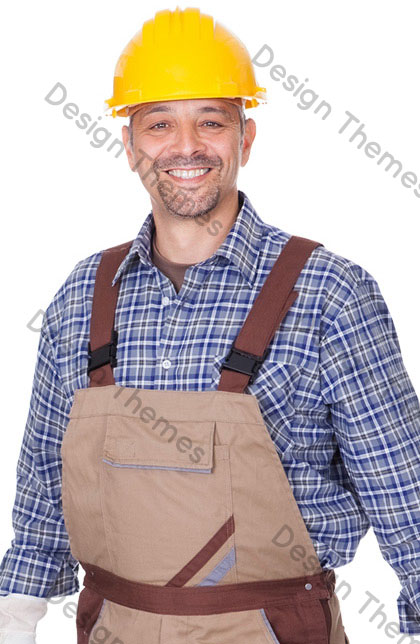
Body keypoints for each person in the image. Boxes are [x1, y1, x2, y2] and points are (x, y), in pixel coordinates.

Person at [0, 7, 419, 643]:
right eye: (159, 123)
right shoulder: (84, 295)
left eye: (212, 121)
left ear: (245, 139)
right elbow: (43, 477)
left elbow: (404, 490)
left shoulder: (328, 293)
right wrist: (16, 613)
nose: (186, 146)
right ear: (131, 147)